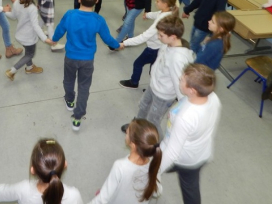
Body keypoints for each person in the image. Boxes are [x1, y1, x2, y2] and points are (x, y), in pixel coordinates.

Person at [52, 0, 120, 131]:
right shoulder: (98, 20)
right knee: (84, 87)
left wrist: (54, 39)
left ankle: (69, 100)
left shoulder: (70, 14)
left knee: (68, 80)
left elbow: (59, 30)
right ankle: (77, 117)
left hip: (70, 57)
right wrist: (117, 45)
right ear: (97, 1)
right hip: (87, 60)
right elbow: (107, 39)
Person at [159, 64, 222, 204]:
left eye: (182, 80)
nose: (179, 80)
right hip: (199, 153)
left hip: (184, 158)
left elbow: (172, 152)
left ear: (192, 90)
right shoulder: (212, 97)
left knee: (148, 165)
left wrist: (154, 173)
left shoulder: (186, 117)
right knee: (191, 187)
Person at [121, 16, 194, 135]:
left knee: (153, 121)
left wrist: (184, 107)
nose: (158, 37)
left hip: (163, 95)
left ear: (173, 37)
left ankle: (155, 145)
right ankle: (137, 127)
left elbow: (180, 84)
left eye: (161, 35)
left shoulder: (177, 59)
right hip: (154, 85)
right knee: (143, 106)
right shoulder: (167, 44)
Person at [0, 138, 83, 203]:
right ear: (65, 164)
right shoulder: (74, 195)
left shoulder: (23, 189)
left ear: (33, 170)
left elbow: (1, 192)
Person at [89, 119, 161, 204]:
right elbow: (158, 192)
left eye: (127, 133)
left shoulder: (120, 166)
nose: (126, 131)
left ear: (133, 144)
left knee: (105, 192)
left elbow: (102, 199)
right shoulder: (154, 163)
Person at [118, 0, 178, 89]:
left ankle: (134, 82)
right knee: (154, 69)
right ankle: (154, 86)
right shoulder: (169, 12)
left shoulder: (161, 21)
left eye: (158, 1)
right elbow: (158, 14)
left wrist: (125, 43)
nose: (156, 2)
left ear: (165, 3)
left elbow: (144, 36)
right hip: (161, 47)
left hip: (153, 49)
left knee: (138, 63)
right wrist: (148, 15)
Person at [5, 0, 54, 80]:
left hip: (20, 35)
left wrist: (6, 12)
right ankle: (12, 71)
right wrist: (45, 39)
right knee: (30, 54)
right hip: (29, 37)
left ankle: (29, 67)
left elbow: (13, 16)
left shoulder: (17, 2)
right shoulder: (32, 8)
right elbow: (36, 26)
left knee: (28, 52)